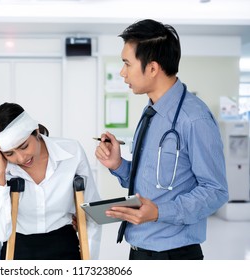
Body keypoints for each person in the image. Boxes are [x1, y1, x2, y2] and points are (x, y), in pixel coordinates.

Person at [95, 19, 229, 260]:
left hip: (173, 256)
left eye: (127, 63)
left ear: (153, 68)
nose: (122, 72)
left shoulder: (194, 118)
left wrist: (159, 212)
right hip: (138, 250)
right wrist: (118, 165)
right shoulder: (151, 113)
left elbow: (215, 191)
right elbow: (150, 183)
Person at [0, 102, 102, 260]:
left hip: (64, 244)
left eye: (24, 146)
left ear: (36, 131)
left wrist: (90, 265)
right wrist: (1, 180)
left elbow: (91, 211)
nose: (20, 158)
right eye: (9, 153)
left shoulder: (71, 152)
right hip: (18, 248)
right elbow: (0, 233)